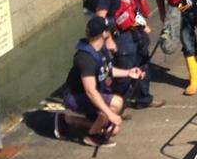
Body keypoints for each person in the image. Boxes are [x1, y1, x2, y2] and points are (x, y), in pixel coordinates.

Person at [60, 16, 141, 147]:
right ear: (103, 33)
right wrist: (110, 114)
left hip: (91, 95)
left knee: (113, 130)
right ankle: (92, 136)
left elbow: (107, 70)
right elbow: (90, 91)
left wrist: (129, 73)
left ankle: (68, 120)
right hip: (76, 96)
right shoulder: (85, 58)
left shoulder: (100, 49)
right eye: (108, 29)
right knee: (116, 102)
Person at [104, 0, 162, 108]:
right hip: (121, 36)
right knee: (124, 72)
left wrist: (143, 24)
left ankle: (144, 99)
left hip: (136, 31)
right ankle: (117, 105)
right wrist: (108, 38)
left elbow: (134, 7)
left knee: (143, 65)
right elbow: (104, 18)